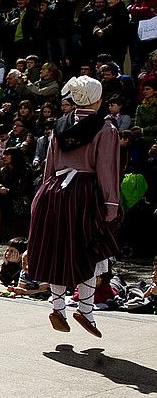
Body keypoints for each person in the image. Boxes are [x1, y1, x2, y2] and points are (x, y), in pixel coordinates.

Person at [28, 75, 120, 336]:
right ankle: (86, 312)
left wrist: (42, 196)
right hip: (84, 194)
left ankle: (58, 308)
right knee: (88, 251)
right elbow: (106, 169)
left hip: (54, 191)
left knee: (58, 250)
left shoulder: (60, 125)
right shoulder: (105, 129)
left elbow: (50, 165)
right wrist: (111, 204)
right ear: (96, 99)